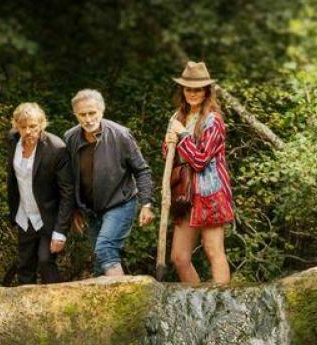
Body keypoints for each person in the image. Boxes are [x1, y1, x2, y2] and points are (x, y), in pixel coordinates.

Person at [63, 89, 155, 277]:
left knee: (104, 249)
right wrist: (74, 209)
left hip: (120, 203)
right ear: (75, 115)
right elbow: (70, 177)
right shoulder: (70, 138)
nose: (88, 119)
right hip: (91, 209)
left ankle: (124, 303)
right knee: (100, 263)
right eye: (82, 114)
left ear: (101, 111)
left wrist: (146, 203)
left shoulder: (120, 135)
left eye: (92, 113)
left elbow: (142, 170)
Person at [163, 61, 235, 285]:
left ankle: (223, 307)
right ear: (182, 91)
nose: (192, 93)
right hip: (184, 193)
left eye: (197, 89)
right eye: (188, 88)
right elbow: (171, 156)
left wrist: (183, 136)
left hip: (209, 193)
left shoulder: (214, 121)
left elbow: (200, 160)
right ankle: (199, 311)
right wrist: (169, 144)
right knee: (179, 257)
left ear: (206, 91)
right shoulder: (178, 117)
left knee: (214, 252)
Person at [6, 102, 74, 285]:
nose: (28, 131)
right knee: (24, 264)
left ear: (42, 124)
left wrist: (60, 231)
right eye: (23, 127)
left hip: (48, 216)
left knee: (45, 261)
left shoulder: (56, 149)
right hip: (24, 215)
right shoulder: (12, 141)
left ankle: (57, 306)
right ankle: (25, 310)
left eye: (33, 126)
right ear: (16, 126)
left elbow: (68, 192)